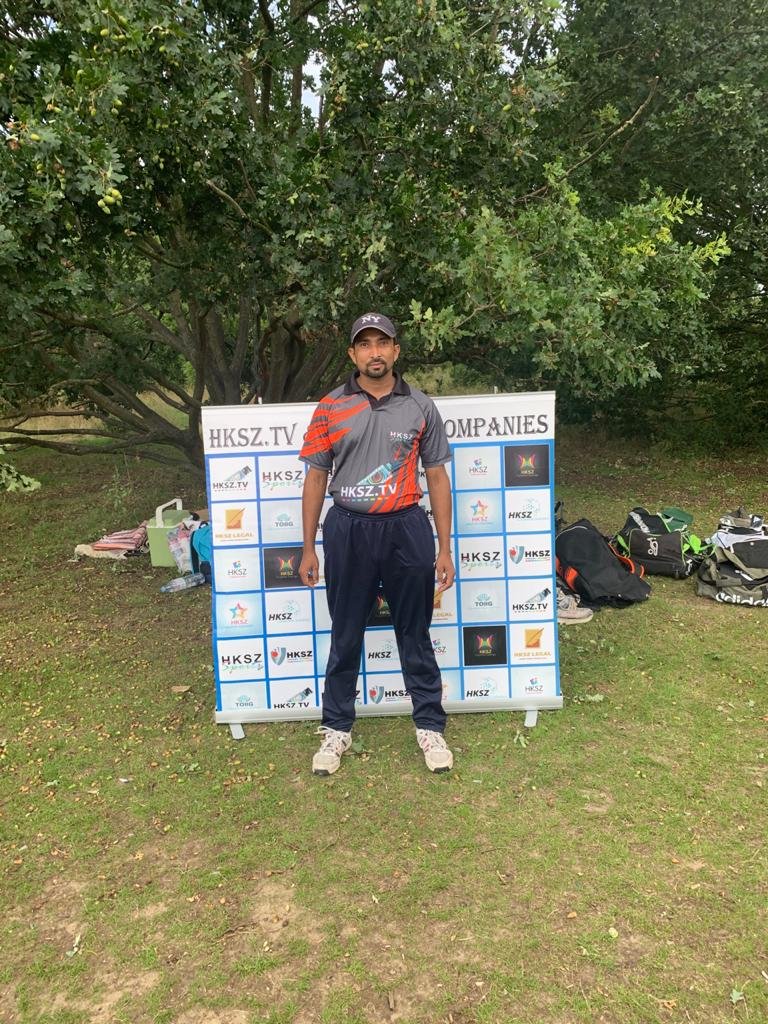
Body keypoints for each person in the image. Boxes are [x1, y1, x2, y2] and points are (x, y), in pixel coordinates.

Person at [298, 312, 455, 776]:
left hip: (406, 528)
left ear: (395, 350)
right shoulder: (330, 407)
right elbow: (316, 478)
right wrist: (307, 547)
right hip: (348, 529)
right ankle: (336, 728)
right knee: (346, 634)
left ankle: (429, 726)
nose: (374, 352)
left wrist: (444, 548)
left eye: (382, 343)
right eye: (364, 344)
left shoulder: (420, 406)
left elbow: (437, 476)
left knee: (415, 633)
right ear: (352, 354)